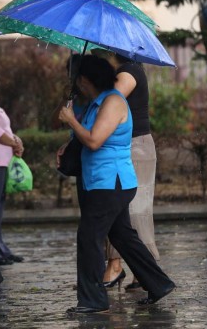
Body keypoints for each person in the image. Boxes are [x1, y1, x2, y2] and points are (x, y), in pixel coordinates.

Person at [57, 55, 175, 313]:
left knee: (89, 237)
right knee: (123, 236)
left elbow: (94, 140)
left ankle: (93, 300)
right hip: (103, 181)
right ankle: (158, 283)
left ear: (85, 80)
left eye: (76, 79)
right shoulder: (96, 103)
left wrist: (71, 121)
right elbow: (85, 137)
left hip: (111, 183)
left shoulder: (112, 102)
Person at [92, 48, 160, 292]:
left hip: (135, 147)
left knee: (136, 209)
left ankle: (130, 266)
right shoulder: (125, 71)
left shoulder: (129, 71)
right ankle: (128, 266)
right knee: (121, 209)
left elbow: (111, 100)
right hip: (124, 146)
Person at [0, 69, 25, 266]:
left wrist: (16, 140)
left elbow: (5, 131)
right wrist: (14, 142)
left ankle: (0, 246)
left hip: (3, 163)